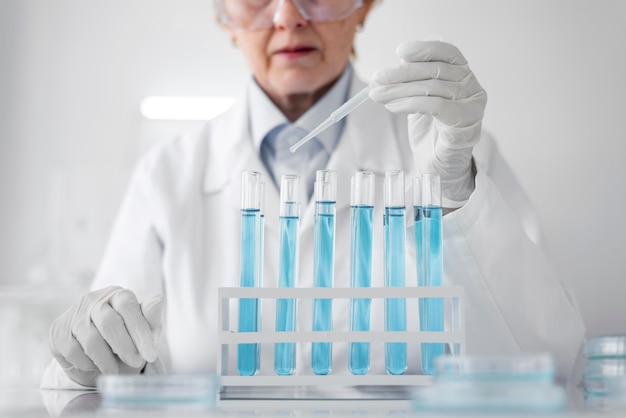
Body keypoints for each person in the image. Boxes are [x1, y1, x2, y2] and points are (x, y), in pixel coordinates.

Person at [42, 0, 585, 391]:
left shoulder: (454, 150)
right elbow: (104, 361)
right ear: (223, 16)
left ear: (365, 7)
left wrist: (452, 194)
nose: (288, 15)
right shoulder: (168, 176)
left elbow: (553, 366)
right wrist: (81, 355)